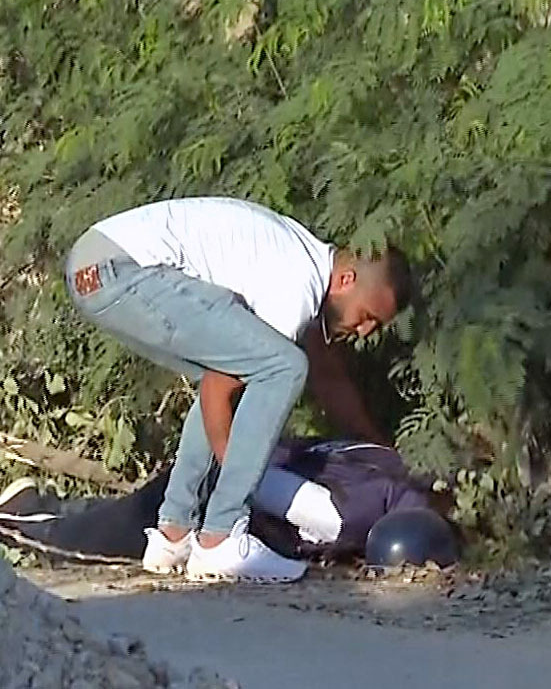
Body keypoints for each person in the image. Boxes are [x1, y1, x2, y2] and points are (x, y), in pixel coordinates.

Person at [64, 197, 412, 582]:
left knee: (244, 368)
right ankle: (221, 538)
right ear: (346, 280)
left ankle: (173, 534)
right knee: (284, 366)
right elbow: (221, 391)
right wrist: (237, 470)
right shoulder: (297, 285)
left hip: (95, 268)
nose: (364, 332)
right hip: (122, 269)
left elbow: (224, 381)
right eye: (367, 317)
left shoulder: (301, 257)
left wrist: (376, 444)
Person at [0, 437, 449, 566]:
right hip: (204, 498)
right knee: (72, 544)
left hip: (228, 461)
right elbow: (246, 481)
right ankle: (20, 518)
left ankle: (45, 502)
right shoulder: (341, 519)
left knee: (111, 515)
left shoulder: (389, 463)